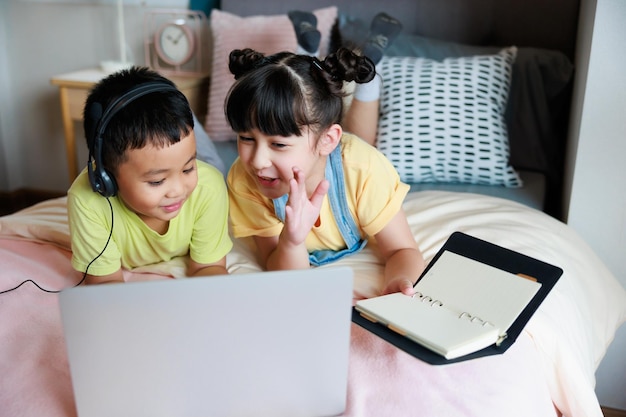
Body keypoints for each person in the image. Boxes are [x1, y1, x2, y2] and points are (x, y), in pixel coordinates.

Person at [224, 13, 424, 296]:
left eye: (278, 145)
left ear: (328, 139)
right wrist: (292, 242)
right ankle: (307, 58)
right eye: (245, 138)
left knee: (361, 142)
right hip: (324, 140)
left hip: (346, 157)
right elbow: (275, 267)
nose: (256, 161)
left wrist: (399, 283)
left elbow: (403, 249)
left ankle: (368, 76)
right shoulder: (245, 179)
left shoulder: (363, 169)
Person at [67, 67, 232, 285]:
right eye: (157, 181)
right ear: (106, 178)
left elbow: (209, 267)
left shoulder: (207, 185)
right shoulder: (87, 201)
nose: (178, 190)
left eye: (188, 168)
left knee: (213, 166)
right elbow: (104, 285)